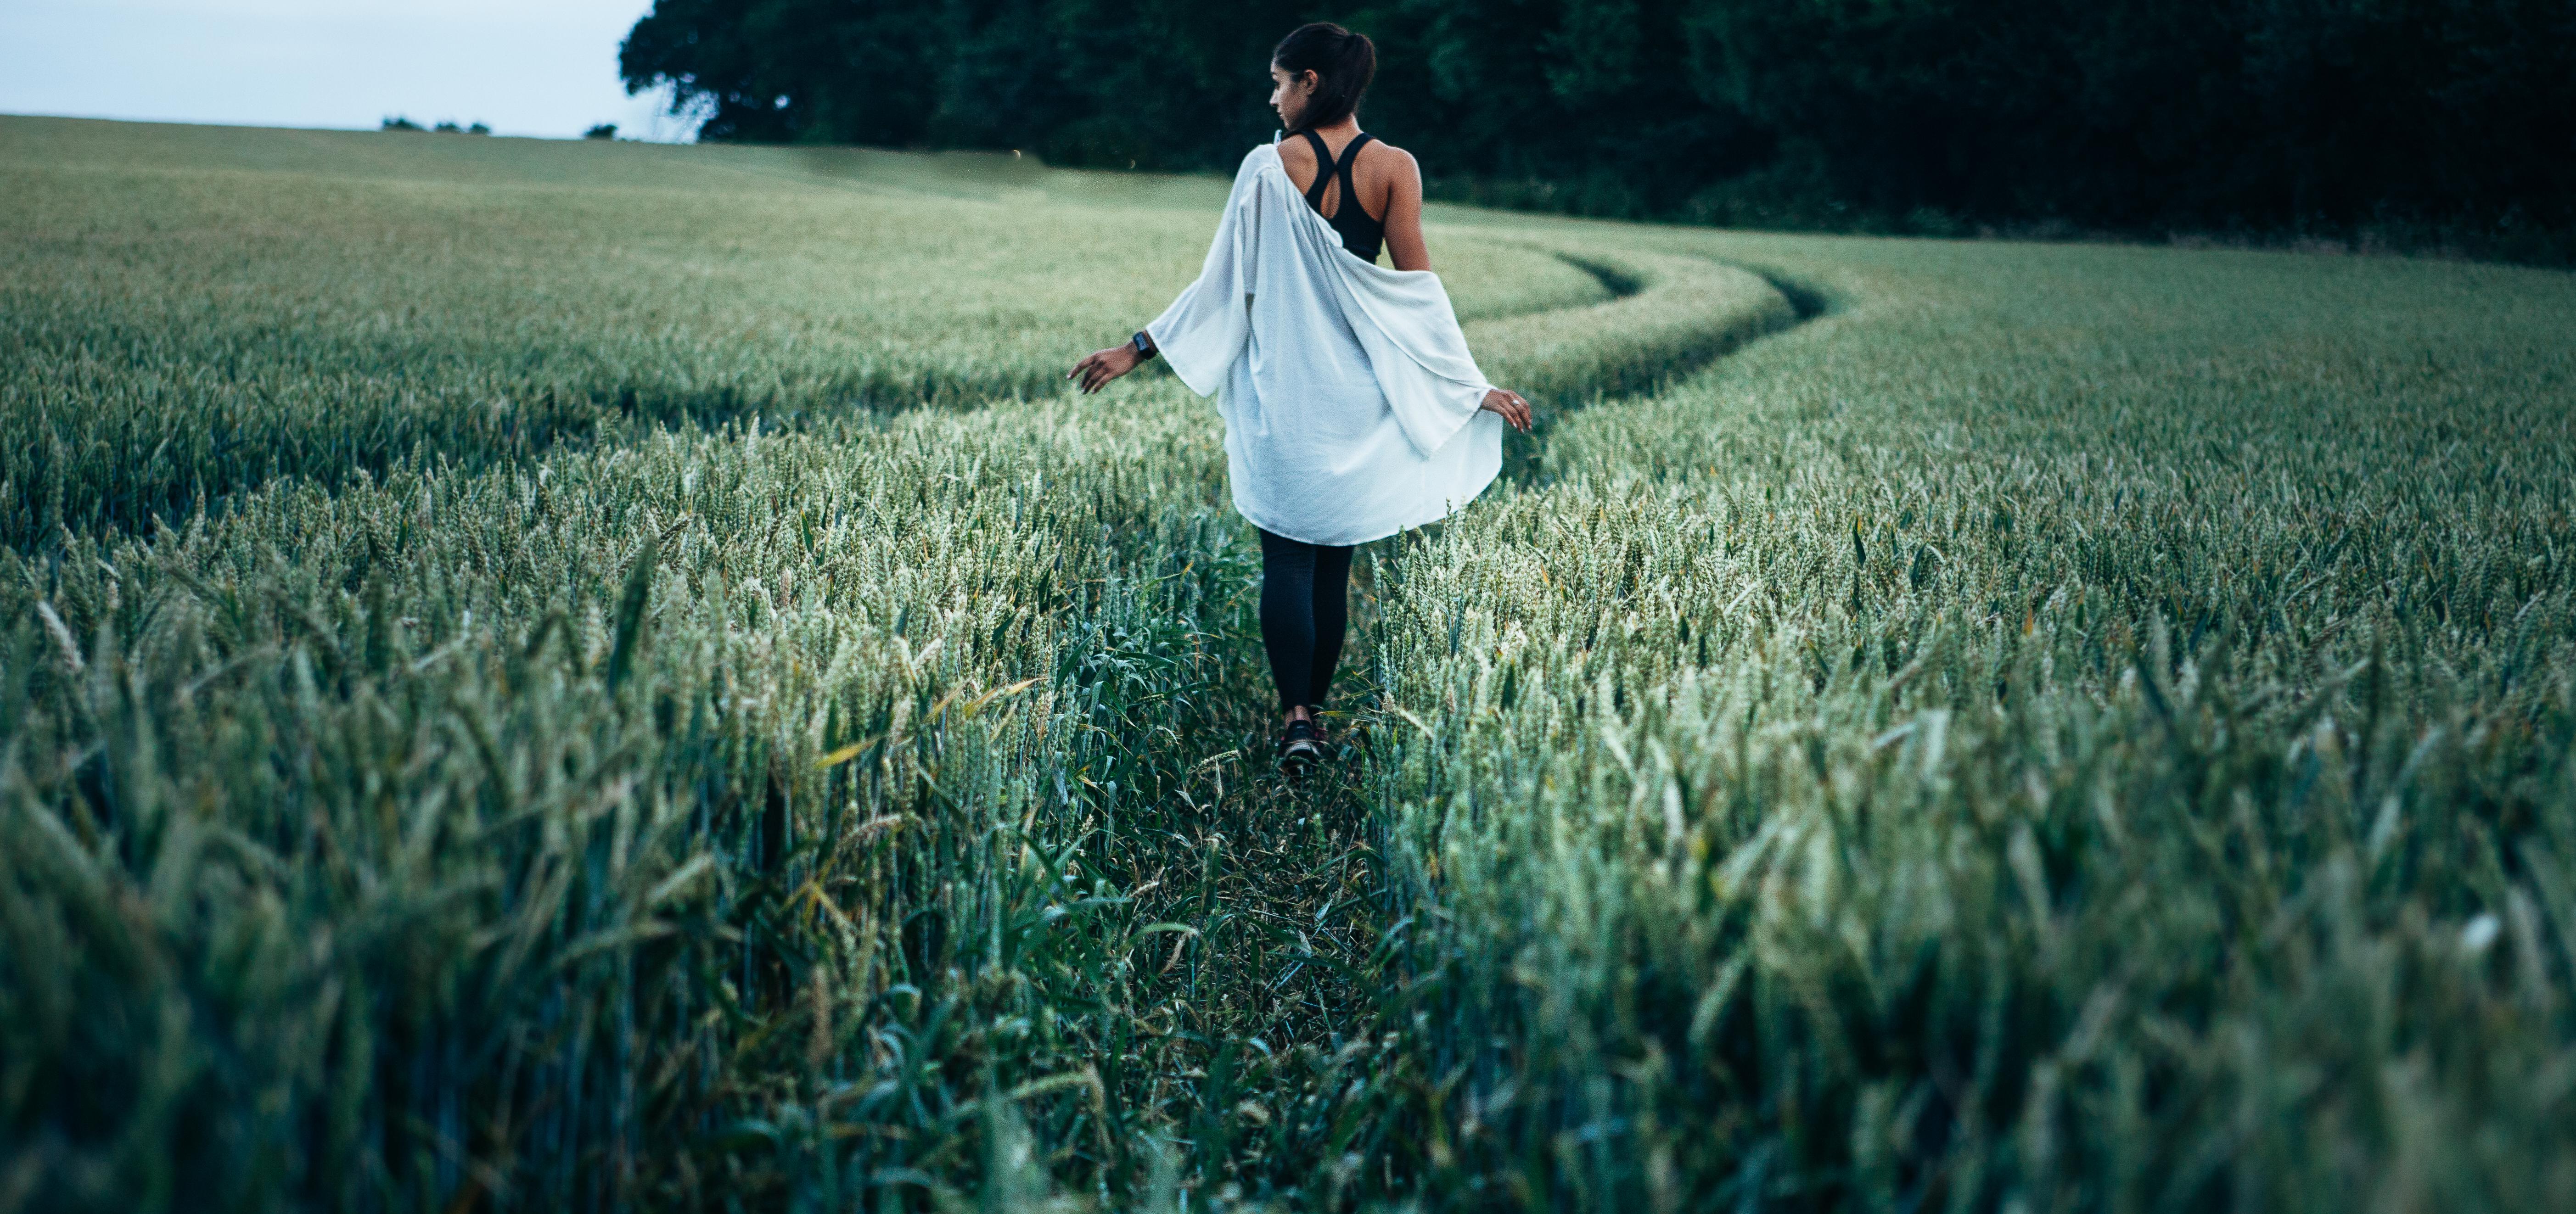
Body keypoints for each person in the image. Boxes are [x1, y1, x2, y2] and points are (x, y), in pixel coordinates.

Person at [1067, 22, 1534, 770]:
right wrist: (1467, 388)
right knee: (1333, 562)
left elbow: (1223, 282)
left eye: (1281, 82)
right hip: (1357, 399)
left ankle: (1295, 720)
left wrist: (1139, 347)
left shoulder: (1264, 167)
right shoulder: (1395, 168)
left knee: (1284, 559)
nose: (1274, 97)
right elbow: (1417, 296)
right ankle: (1314, 720)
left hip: (1283, 395)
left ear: (1311, 82)